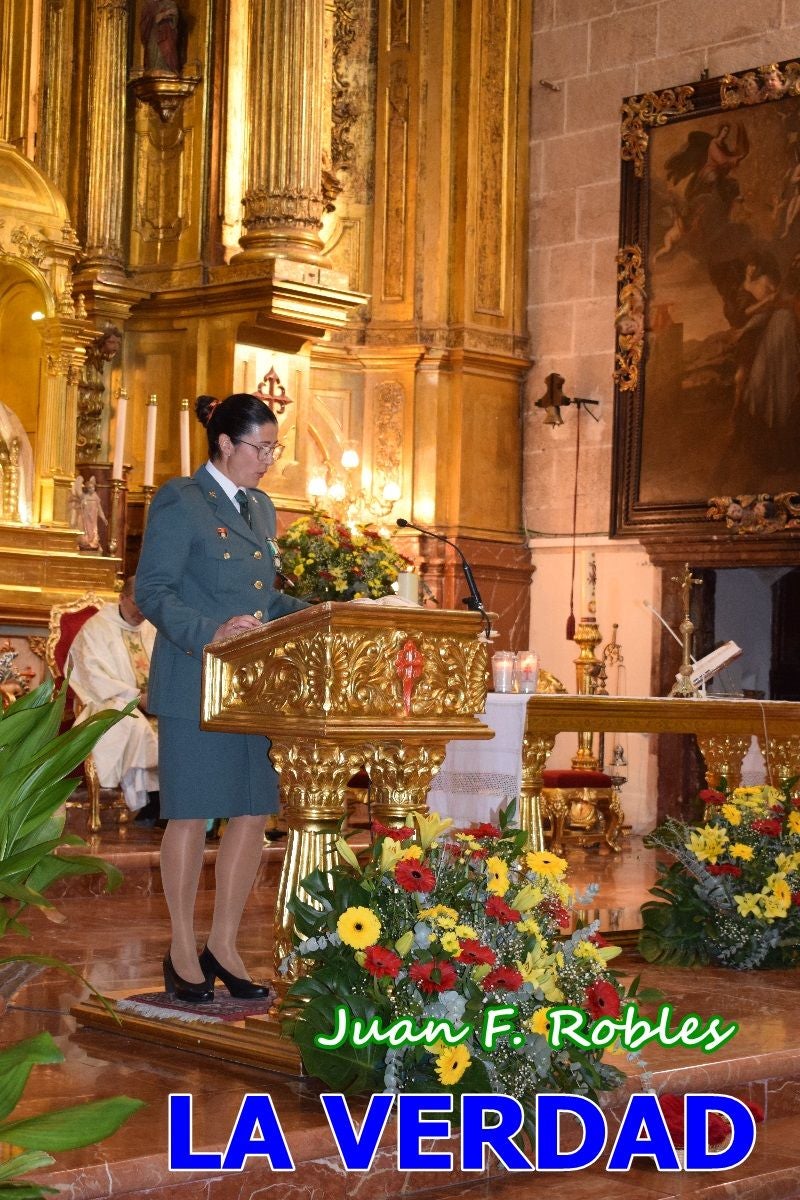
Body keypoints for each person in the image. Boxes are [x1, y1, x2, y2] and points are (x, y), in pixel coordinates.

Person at [136, 393, 308, 1003]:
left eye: (274, 449)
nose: (268, 460)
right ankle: (183, 948)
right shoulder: (181, 500)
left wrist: (329, 611)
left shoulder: (260, 508)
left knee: (253, 813)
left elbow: (264, 600)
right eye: (261, 448)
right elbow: (153, 590)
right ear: (226, 444)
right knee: (191, 814)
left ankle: (224, 946)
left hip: (254, 686)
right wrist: (210, 632)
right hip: (194, 679)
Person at [68, 577, 159, 821]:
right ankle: (145, 803)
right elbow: (92, 675)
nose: (142, 612)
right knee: (130, 723)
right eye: (137, 604)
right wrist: (136, 697)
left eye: (147, 605)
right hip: (108, 701)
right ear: (122, 598)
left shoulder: (152, 628)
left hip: (155, 704)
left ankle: (161, 802)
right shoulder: (97, 628)